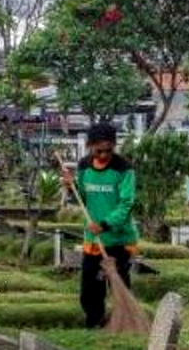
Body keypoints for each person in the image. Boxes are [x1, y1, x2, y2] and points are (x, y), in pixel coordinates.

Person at [61, 121, 138, 329]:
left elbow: (127, 204)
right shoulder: (84, 166)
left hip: (118, 239)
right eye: (99, 150)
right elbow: (82, 198)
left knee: (118, 285)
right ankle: (95, 325)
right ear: (89, 146)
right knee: (90, 289)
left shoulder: (124, 169)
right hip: (92, 240)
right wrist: (72, 187)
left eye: (108, 150)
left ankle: (123, 324)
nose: (104, 155)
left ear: (114, 146)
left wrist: (105, 224)